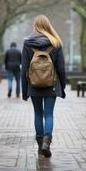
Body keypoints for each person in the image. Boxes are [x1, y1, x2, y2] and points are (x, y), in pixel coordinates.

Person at [21, 15, 66, 157]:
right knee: (49, 114)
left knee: (38, 114)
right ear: (48, 25)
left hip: (33, 85)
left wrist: (24, 91)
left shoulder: (28, 44)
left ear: (35, 26)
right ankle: (47, 142)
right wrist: (62, 87)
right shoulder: (56, 43)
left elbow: (24, 69)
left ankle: (41, 144)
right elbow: (61, 69)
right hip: (51, 84)